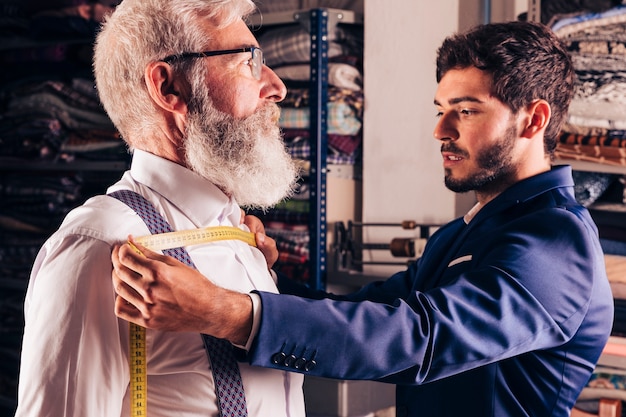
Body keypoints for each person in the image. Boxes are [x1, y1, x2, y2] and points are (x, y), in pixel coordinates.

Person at [111, 21, 615, 417]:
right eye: (440, 108)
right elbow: (365, 314)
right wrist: (247, 274)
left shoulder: (557, 243)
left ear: (534, 119)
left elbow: (417, 338)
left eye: (466, 110)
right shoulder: (468, 232)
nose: (440, 129)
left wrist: (229, 313)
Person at [15, 0, 306, 416]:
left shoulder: (240, 236)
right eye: (249, 62)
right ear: (168, 87)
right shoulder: (100, 246)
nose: (277, 86)